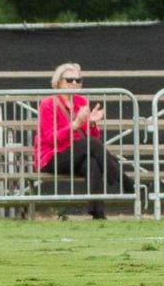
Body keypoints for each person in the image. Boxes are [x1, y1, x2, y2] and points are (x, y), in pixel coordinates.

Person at [33, 62, 136, 219]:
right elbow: (51, 139)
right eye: (69, 80)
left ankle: (98, 214)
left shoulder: (81, 102)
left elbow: (93, 139)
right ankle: (126, 183)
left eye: (78, 80)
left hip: (76, 154)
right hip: (52, 156)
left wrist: (92, 122)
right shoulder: (48, 104)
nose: (74, 83)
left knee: (93, 162)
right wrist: (74, 125)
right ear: (58, 82)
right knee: (91, 146)